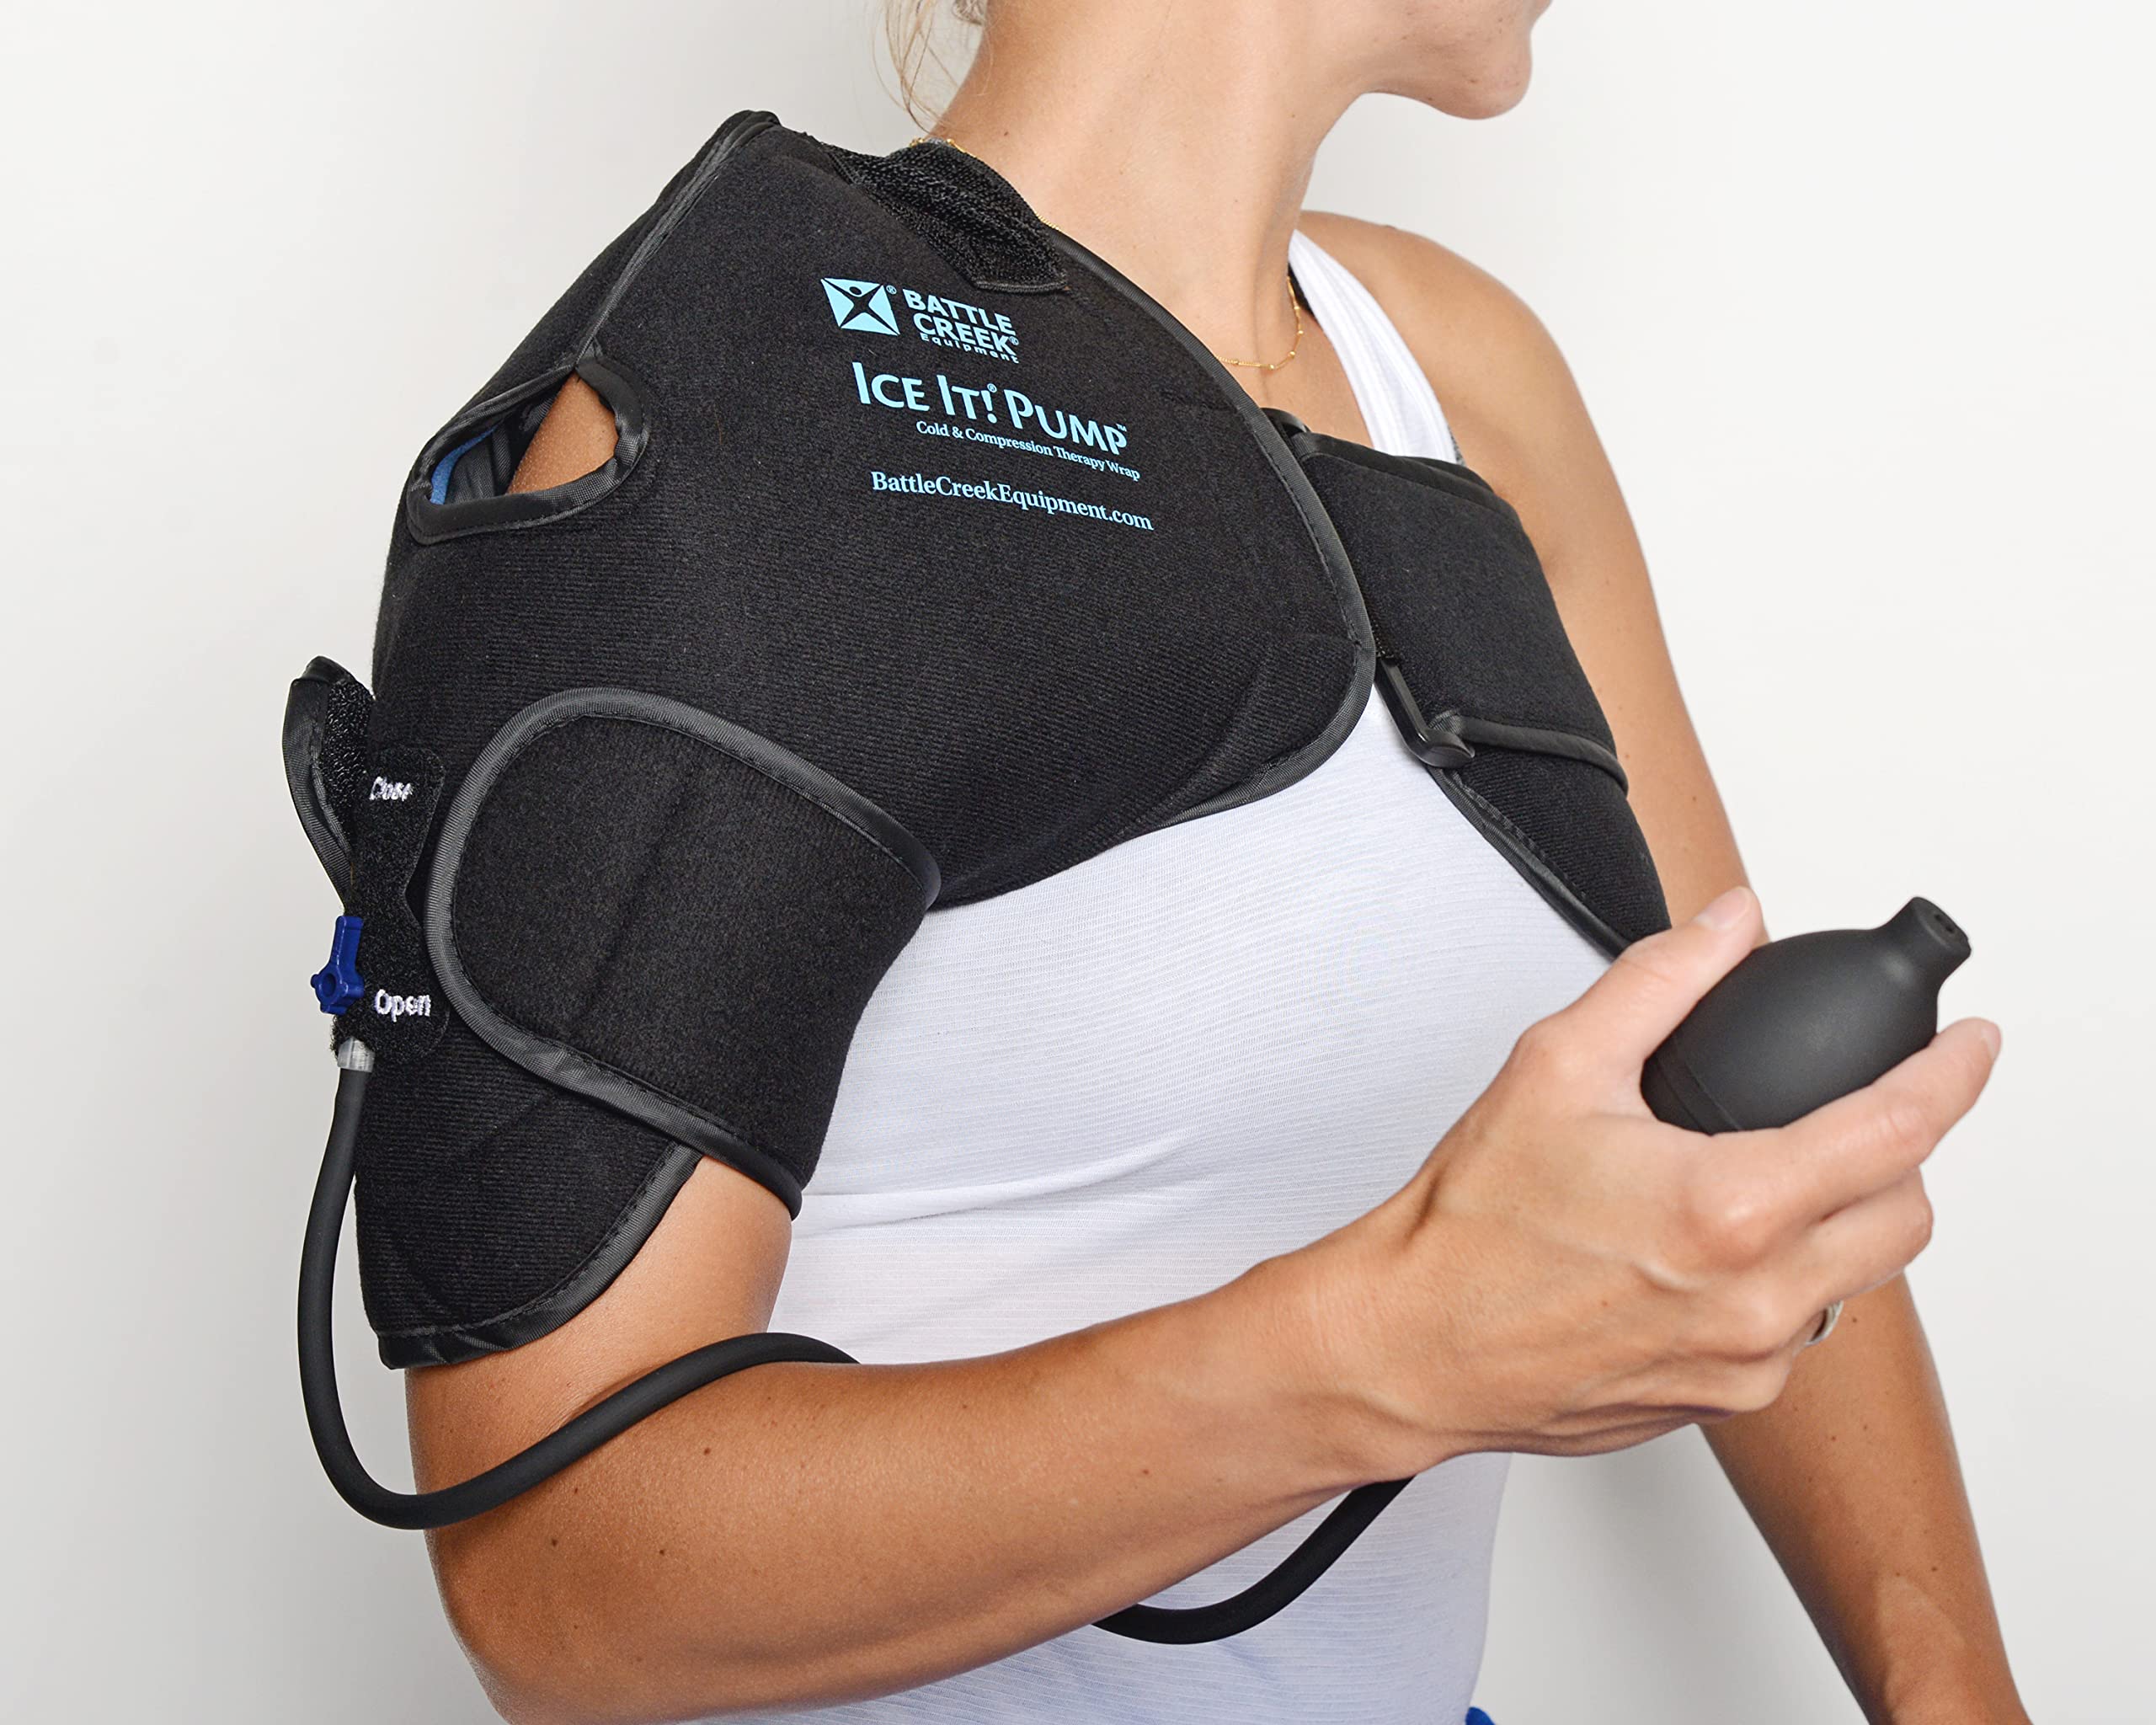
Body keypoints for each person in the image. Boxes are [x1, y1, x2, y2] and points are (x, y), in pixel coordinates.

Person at [408, 3, 2021, 1720]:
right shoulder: (744, 380)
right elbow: (552, 1587)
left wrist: (1951, 1691)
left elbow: (1726, 1134)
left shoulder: (1452, 379)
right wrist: (1382, 1353)